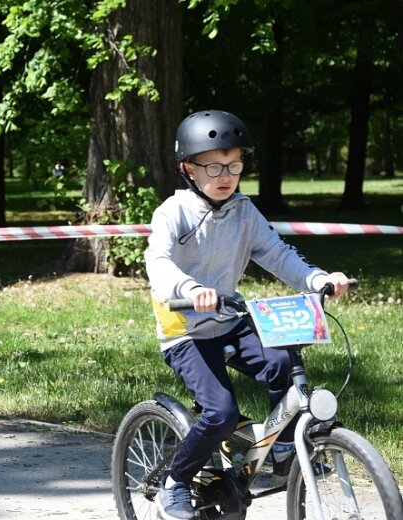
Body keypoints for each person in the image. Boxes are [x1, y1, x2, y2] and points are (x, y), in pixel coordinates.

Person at [144, 110, 350, 520]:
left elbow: (276, 254)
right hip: (185, 327)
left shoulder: (243, 210)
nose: (227, 175)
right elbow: (158, 262)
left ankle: (285, 450)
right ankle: (175, 483)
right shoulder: (173, 212)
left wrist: (317, 279)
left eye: (235, 165)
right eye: (215, 166)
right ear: (188, 168)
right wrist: (190, 289)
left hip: (229, 318)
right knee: (219, 412)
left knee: (281, 363)